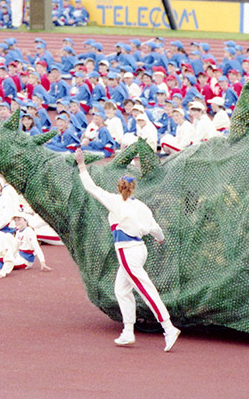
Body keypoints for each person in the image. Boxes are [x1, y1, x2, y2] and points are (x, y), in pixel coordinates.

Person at [74, 149, 180, 352]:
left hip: (127, 250)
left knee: (145, 289)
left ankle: (168, 327)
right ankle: (128, 332)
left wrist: (81, 165)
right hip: (139, 249)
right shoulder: (140, 205)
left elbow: (91, 187)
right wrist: (160, 238)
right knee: (121, 290)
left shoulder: (114, 201)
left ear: (120, 187)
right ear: (133, 188)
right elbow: (156, 229)